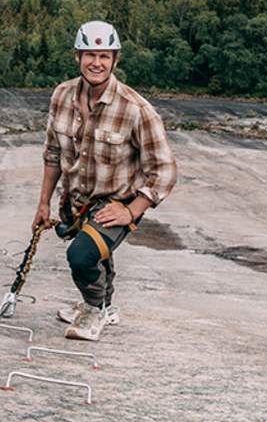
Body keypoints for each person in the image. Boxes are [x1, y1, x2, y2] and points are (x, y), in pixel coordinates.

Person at [33, 20, 177, 342]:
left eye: (104, 56)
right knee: (94, 249)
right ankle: (106, 305)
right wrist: (43, 203)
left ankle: (93, 309)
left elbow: (164, 169)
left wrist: (132, 211)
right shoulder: (62, 96)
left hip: (117, 203)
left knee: (82, 255)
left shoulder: (136, 109)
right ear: (77, 56)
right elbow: (53, 153)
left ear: (116, 59)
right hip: (78, 201)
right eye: (89, 55)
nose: (96, 63)